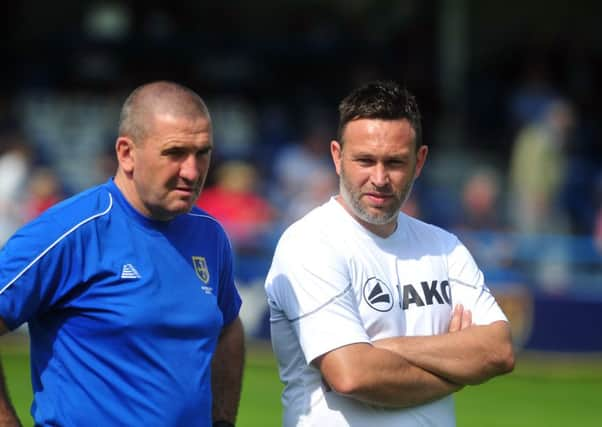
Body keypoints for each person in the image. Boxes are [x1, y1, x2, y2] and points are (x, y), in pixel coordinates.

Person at [264, 80, 515, 426]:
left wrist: (389, 348)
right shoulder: (309, 244)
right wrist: (457, 364)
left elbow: (499, 351)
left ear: (420, 160)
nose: (379, 178)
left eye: (395, 162)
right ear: (337, 156)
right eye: (365, 160)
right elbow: (352, 375)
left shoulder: (445, 246)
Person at [0, 81, 244, 427]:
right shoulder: (69, 231)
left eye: (202, 152)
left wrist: (222, 420)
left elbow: (228, 327)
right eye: (175, 153)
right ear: (127, 153)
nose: (192, 171)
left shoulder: (210, 234)